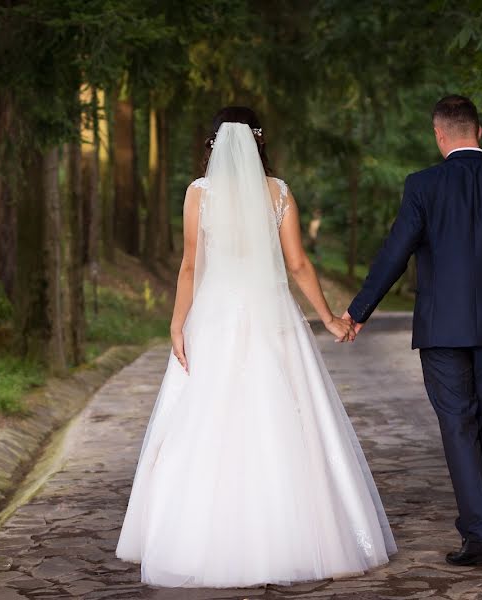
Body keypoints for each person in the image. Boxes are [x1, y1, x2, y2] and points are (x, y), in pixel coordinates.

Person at [116, 106, 397, 588]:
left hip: (214, 318)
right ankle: (292, 535)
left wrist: (178, 322)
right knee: (285, 419)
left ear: (214, 144)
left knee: (203, 421)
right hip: (272, 318)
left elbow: (189, 266)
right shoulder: (279, 192)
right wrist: (329, 317)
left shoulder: (199, 194)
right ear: (258, 142)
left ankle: (197, 539)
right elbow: (299, 263)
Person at [343, 95, 482, 566]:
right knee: (480, 423)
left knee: (459, 424)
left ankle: (481, 535)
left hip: (441, 328)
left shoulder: (422, 186)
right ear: (479, 132)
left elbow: (394, 253)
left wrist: (359, 310)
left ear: (439, 135)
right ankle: (479, 525)